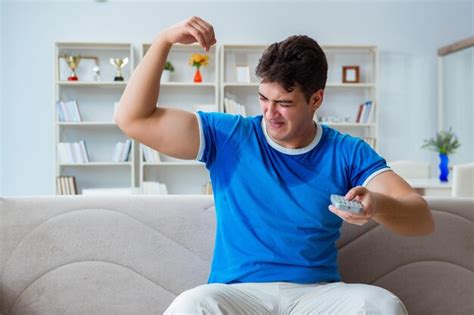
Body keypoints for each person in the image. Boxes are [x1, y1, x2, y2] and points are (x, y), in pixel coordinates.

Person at [115, 16, 434, 315]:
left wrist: (376, 204)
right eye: (264, 99)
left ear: (316, 99)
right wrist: (162, 42)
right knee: (192, 304)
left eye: (284, 103)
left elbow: (420, 218)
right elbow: (133, 119)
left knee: (379, 304)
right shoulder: (228, 136)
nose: (270, 113)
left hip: (316, 295)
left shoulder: (346, 151)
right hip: (238, 294)